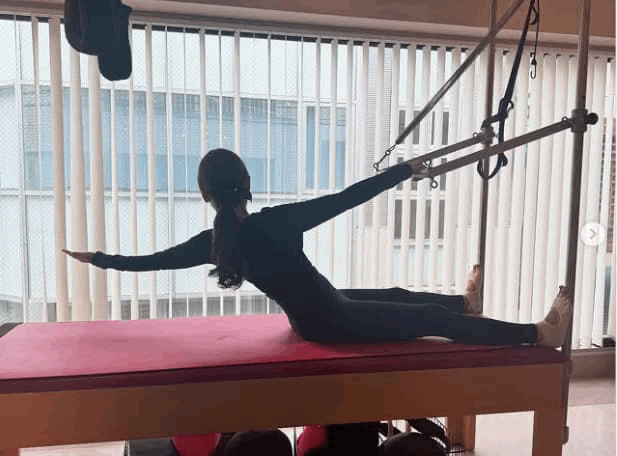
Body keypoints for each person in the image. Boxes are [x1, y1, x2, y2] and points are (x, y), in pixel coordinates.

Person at [64, 148, 571, 347]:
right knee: (430, 321)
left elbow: (153, 263)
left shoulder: (216, 242)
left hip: (317, 314)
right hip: (333, 322)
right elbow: (348, 198)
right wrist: (403, 170)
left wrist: (100, 260)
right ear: (246, 183)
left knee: (398, 294)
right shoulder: (277, 221)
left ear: (205, 195)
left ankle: (466, 303)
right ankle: (536, 334)